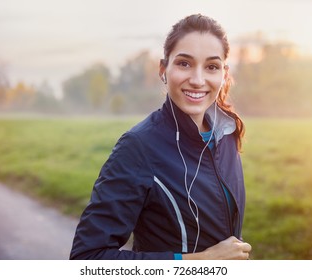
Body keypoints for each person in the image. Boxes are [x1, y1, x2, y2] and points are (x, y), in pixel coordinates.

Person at [70, 14, 251, 260]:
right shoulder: (137, 147)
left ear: (223, 74)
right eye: (184, 63)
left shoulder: (226, 134)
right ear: (163, 69)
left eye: (211, 66)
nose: (198, 80)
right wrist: (199, 262)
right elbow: (88, 258)